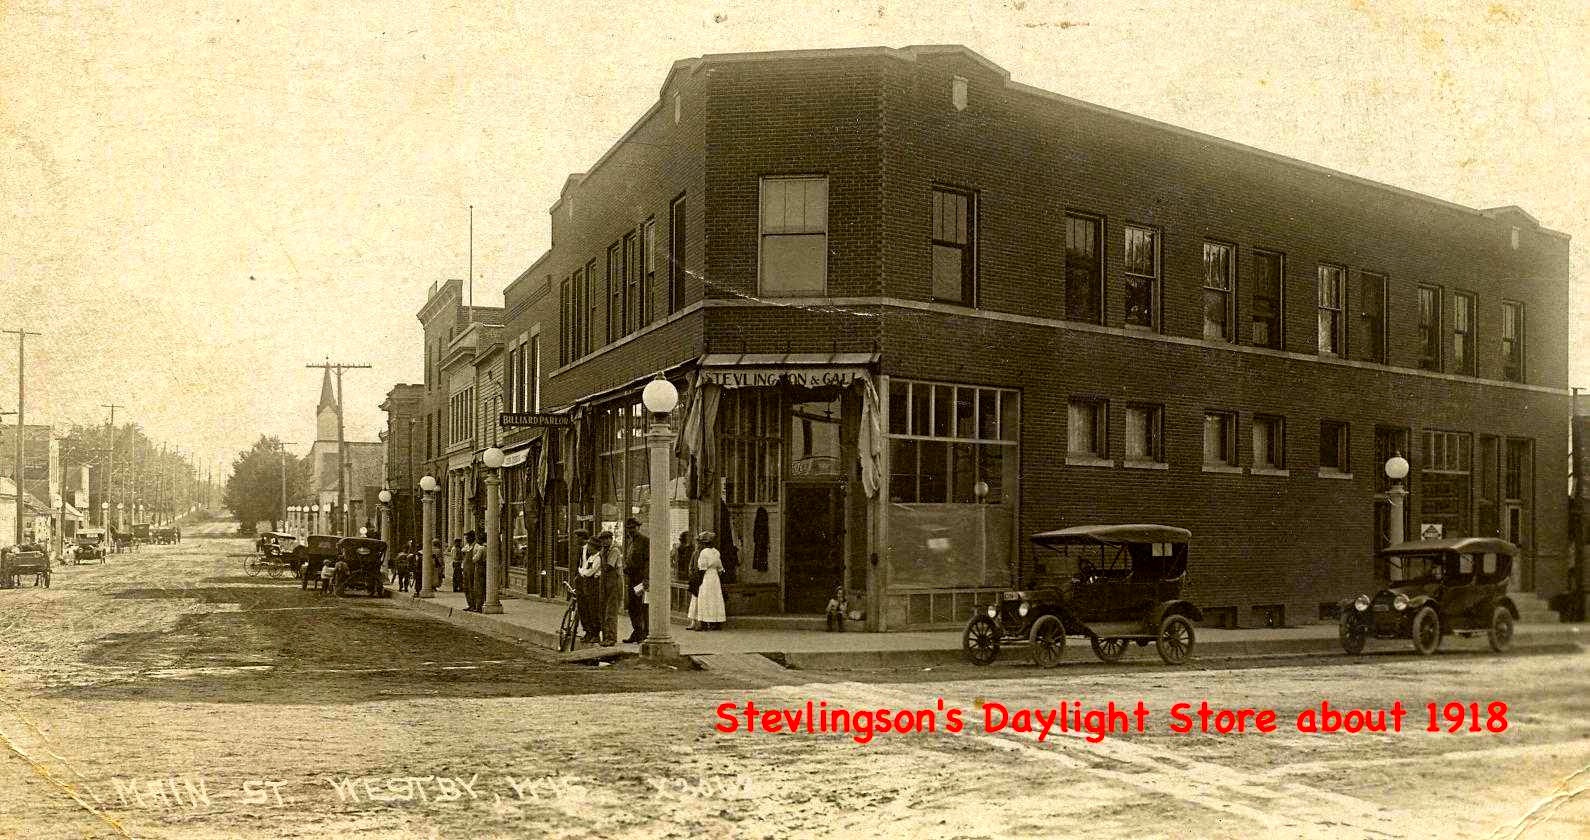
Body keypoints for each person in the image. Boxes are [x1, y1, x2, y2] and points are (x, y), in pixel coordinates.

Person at [589, 530, 623, 646]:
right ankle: (605, 637)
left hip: (614, 583)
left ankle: (611, 638)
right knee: (603, 611)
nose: (604, 542)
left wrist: (600, 557)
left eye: (606, 539)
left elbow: (608, 567)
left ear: (610, 539)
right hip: (604, 583)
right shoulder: (603, 551)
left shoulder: (614, 550)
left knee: (610, 613)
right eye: (602, 540)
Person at [689, 530, 727, 630]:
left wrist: (698, 581)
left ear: (704, 543)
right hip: (715, 577)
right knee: (715, 598)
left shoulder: (703, 553)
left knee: (705, 599)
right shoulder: (716, 552)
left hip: (706, 577)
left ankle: (704, 622)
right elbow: (720, 568)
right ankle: (716, 622)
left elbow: (702, 568)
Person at [622, 517, 650, 643]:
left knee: (640, 606)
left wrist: (646, 578)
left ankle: (642, 633)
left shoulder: (644, 541)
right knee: (632, 606)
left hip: (640, 579)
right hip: (632, 578)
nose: (631, 530)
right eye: (628, 528)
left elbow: (648, 561)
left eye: (633, 528)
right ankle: (637, 631)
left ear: (638, 527)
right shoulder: (631, 541)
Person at [467, 529, 487, 612]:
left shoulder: (481, 548)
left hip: (479, 567)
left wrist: (473, 557)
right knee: (484, 588)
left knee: (478, 588)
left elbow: (475, 559)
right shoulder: (488, 547)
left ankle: (478, 606)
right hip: (486, 567)